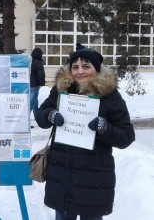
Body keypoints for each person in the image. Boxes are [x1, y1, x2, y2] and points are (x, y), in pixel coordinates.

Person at [34, 43, 135, 220]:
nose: (79, 71)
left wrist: (105, 128)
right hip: (62, 175)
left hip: (94, 178)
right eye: (75, 67)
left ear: (96, 69)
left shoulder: (110, 96)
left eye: (86, 66)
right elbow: (40, 114)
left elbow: (127, 137)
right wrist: (50, 115)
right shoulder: (60, 90)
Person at [30, 48, 46, 116]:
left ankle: (36, 115)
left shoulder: (29, 61)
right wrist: (42, 83)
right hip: (35, 84)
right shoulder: (38, 62)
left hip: (29, 84)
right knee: (32, 101)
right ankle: (26, 116)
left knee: (34, 99)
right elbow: (41, 74)